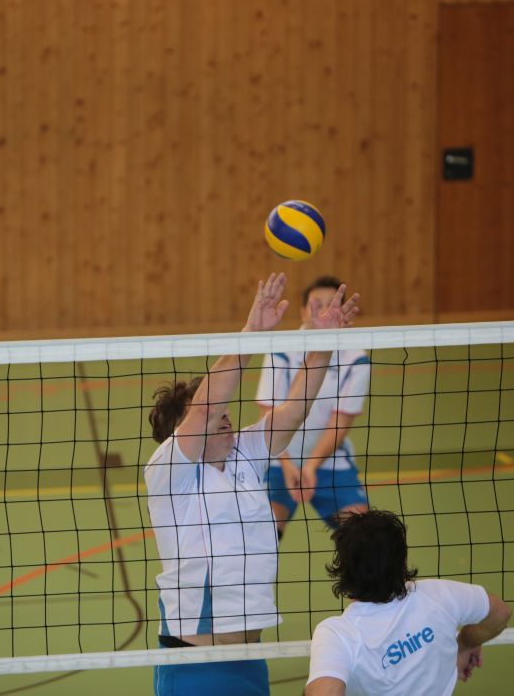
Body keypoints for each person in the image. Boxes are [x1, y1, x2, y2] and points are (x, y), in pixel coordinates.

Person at [145, 272, 360, 696]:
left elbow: (295, 409)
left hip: (250, 662)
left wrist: (323, 345)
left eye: (226, 411)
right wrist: (252, 333)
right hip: (195, 668)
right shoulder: (170, 471)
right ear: (181, 433)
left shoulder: (244, 452)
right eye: (213, 414)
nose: (225, 414)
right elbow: (206, 408)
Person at [306, 510, 511, 695]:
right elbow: (501, 613)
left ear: (344, 569)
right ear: (402, 560)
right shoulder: (439, 595)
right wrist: (465, 644)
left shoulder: (337, 634)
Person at [256, 276, 371, 537]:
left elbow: (339, 424)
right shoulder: (281, 349)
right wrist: (289, 466)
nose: (322, 311)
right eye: (315, 304)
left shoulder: (356, 357)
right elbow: (267, 416)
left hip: (330, 460)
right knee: (262, 533)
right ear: (302, 311)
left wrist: (311, 466)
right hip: (279, 458)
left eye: (331, 305)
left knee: (365, 535)